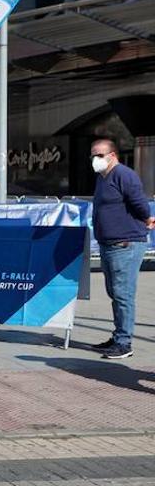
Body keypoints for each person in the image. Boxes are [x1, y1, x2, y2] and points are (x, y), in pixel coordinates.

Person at [89, 138, 155, 360]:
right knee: (115, 293)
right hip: (109, 243)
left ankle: (124, 343)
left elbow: (139, 203)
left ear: (112, 156)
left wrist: (147, 218)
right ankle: (118, 336)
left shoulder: (123, 175)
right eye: (93, 155)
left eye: (99, 155)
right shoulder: (102, 178)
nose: (95, 159)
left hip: (125, 244)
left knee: (123, 294)